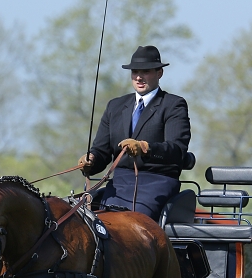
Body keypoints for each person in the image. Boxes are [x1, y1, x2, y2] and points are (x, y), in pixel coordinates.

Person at [78, 45, 190, 220]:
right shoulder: (115, 106)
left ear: (159, 72)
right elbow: (101, 152)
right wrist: (90, 160)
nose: (139, 77)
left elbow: (177, 150)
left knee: (131, 222)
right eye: (134, 71)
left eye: (145, 71)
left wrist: (145, 148)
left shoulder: (173, 105)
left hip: (157, 182)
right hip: (119, 184)